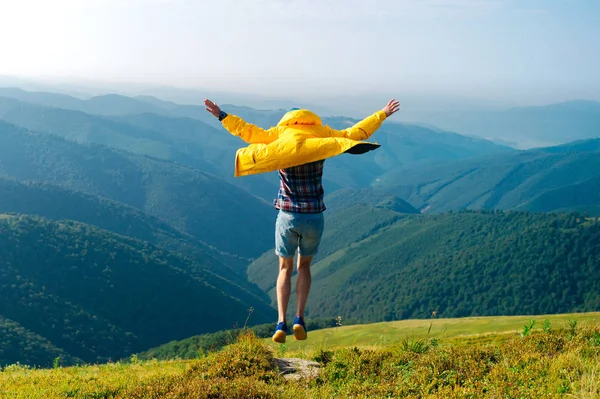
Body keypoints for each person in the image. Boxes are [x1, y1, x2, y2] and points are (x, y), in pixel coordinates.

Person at [205, 98, 400, 343]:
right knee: (304, 267)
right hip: (314, 216)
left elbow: (248, 132)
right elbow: (355, 133)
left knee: (284, 268)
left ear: (287, 123)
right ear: (310, 122)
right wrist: (382, 113)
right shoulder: (321, 139)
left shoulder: (278, 138)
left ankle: (280, 323)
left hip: (288, 215)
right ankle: (299, 319)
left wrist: (222, 115)